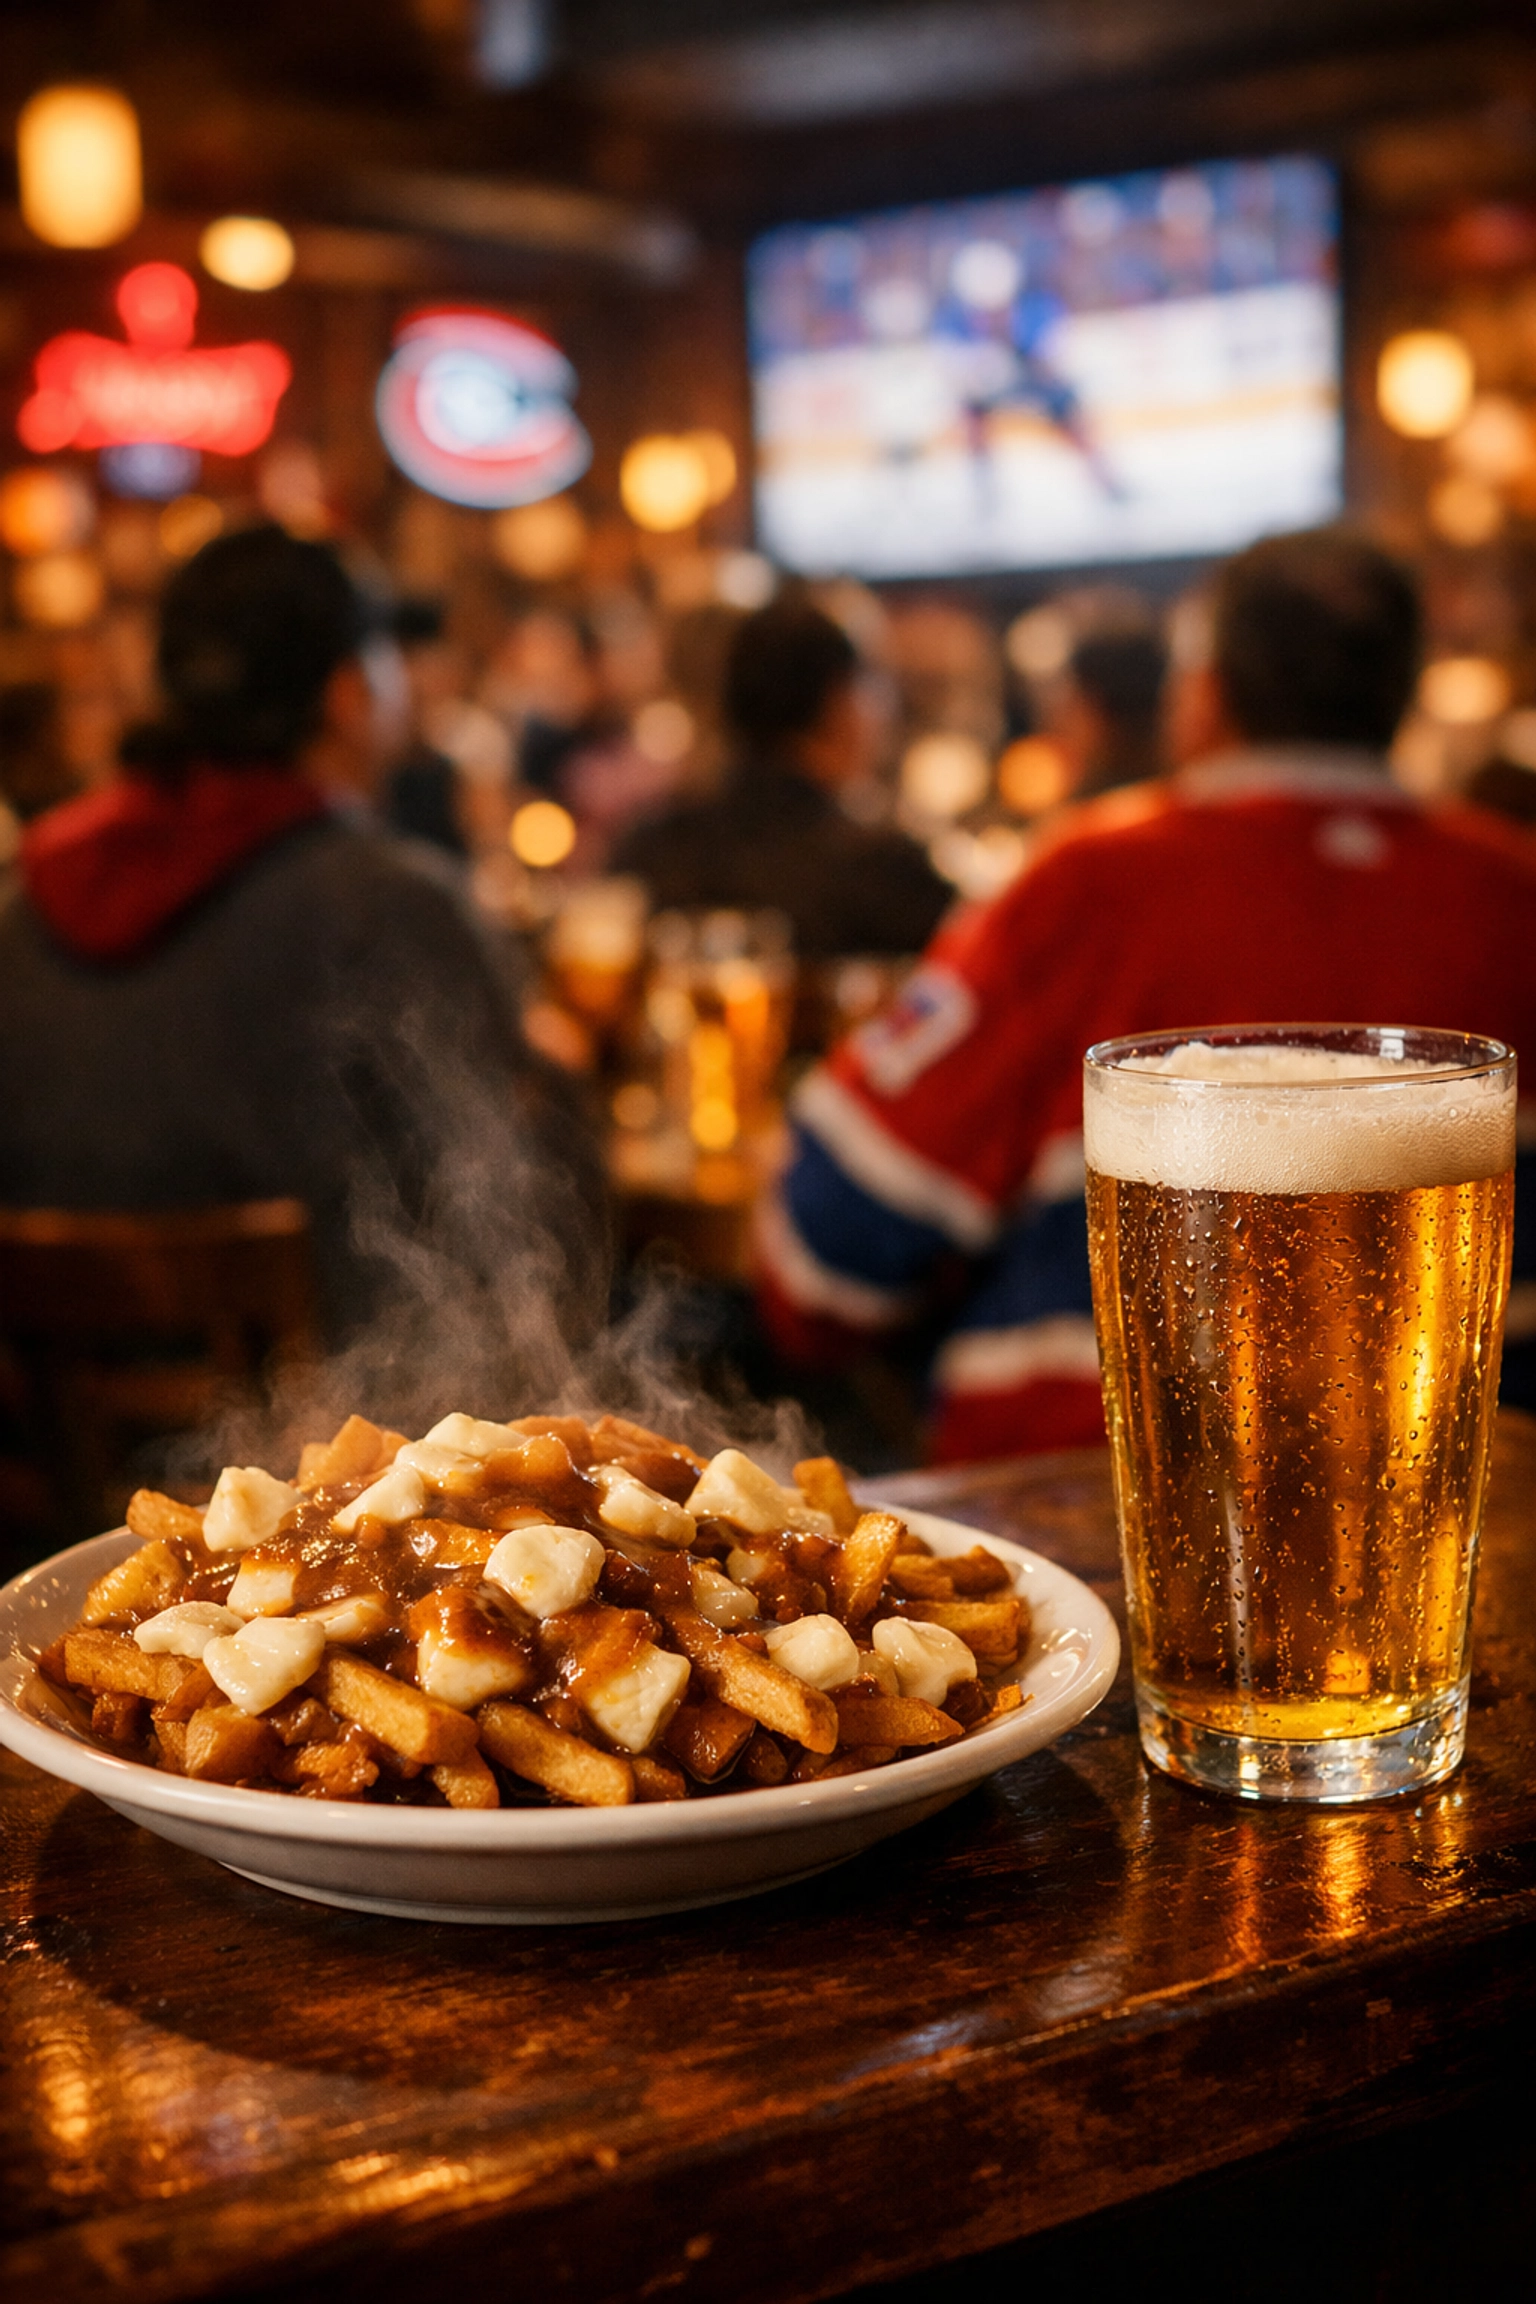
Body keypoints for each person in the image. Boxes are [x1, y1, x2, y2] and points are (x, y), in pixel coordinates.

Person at [758, 527, 1536, 1462]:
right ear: (1404, 694)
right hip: (1472, 1497)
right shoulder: (1515, 888)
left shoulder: (1086, 885)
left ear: (1202, 695)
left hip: (1081, 1500)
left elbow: (822, 1253)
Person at [0, 526, 604, 1419]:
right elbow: (520, 1222)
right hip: (323, 1499)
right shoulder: (390, 905)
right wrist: (557, 1079)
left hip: (38, 1483)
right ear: (350, 693)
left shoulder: (23, 902)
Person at [614, 599, 951, 959]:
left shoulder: (652, 847)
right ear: (838, 704)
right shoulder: (885, 873)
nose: (885, 708)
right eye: (872, 683)